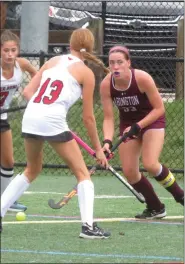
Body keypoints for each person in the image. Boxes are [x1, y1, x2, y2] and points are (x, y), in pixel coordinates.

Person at [1, 28, 111, 239]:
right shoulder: (86, 73)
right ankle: (88, 227)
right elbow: (88, 117)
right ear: (90, 47)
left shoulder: (52, 61)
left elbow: (27, 92)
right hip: (51, 120)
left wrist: (45, 114)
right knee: (82, 174)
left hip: (31, 116)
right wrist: (98, 149)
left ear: (70, 44)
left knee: (32, 169)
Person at [100, 45, 184, 219]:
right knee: (130, 171)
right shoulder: (106, 84)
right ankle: (155, 207)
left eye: (120, 62)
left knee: (151, 163)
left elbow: (159, 108)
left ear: (128, 63)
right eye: (112, 63)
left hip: (151, 120)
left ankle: (180, 196)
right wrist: (107, 141)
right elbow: (108, 118)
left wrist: (139, 125)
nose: (115, 67)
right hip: (129, 124)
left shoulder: (142, 78)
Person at [0, 30, 37, 212]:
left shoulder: (21, 65)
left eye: (13, 50)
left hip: (2, 117)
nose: (9, 54)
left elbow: (37, 75)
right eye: (6, 50)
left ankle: (7, 199)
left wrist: (38, 93)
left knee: (8, 161)